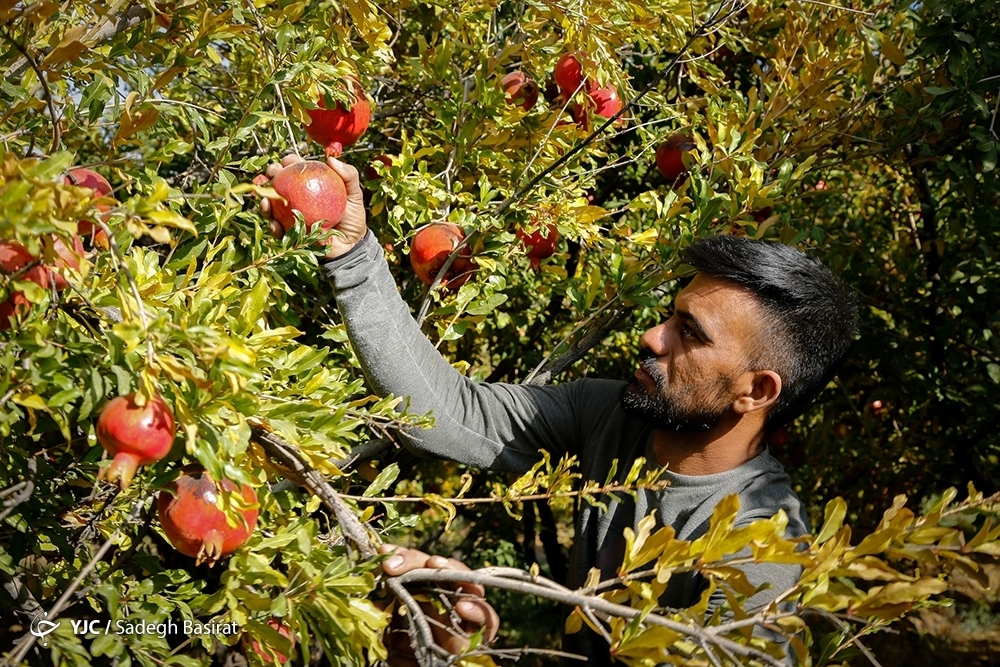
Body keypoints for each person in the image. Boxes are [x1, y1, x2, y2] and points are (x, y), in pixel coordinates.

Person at [261, 155, 859, 664]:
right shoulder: (607, 413)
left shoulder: (759, 561)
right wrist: (353, 255)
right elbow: (449, 413)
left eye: (689, 334)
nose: (653, 338)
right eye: (668, 315)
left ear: (756, 392)